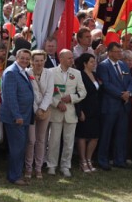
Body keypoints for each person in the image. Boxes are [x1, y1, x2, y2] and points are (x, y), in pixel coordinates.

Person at [46, 49, 86, 177]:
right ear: (61, 58)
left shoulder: (77, 73)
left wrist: (72, 98)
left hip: (70, 112)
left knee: (69, 142)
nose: (71, 60)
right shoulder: (51, 72)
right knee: (53, 141)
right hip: (56, 111)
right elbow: (47, 92)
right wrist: (57, 103)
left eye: (72, 58)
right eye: (69, 58)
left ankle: (65, 166)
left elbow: (83, 92)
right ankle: (51, 165)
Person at [96, 42, 132, 170]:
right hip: (110, 105)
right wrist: (120, 94)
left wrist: (129, 92)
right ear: (110, 52)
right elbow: (106, 84)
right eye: (117, 51)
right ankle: (102, 160)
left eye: (120, 51)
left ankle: (119, 159)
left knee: (121, 134)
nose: (119, 54)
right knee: (106, 134)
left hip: (123, 106)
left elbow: (130, 81)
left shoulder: (123, 64)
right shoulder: (103, 66)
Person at [0, 49, 35, 186]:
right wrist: (17, 115)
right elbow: (10, 97)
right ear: (16, 58)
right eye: (22, 58)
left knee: (20, 147)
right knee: (17, 148)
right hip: (16, 118)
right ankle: (14, 176)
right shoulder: (11, 72)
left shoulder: (23, 71)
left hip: (24, 116)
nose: (25, 61)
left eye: (27, 58)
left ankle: (16, 174)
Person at [24, 50, 54, 179]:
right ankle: (28, 168)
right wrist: (35, 109)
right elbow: (28, 93)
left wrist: (42, 109)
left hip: (45, 110)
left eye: (42, 60)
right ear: (31, 61)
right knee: (31, 140)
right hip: (30, 111)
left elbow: (49, 92)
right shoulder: (26, 73)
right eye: (36, 60)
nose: (39, 63)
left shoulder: (49, 73)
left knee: (41, 140)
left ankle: (38, 168)